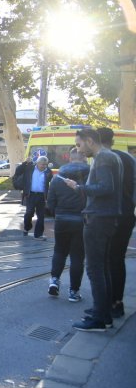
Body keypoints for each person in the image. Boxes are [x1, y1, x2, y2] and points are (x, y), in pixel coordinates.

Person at [63, 128, 123, 332]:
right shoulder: (110, 156)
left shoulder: (103, 158)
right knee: (102, 267)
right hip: (106, 217)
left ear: (89, 141)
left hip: (98, 218)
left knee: (95, 268)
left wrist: (79, 187)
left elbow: (106, 187)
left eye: (79, 145)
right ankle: (103, 313)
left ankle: (99, 318)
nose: (78, 150)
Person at [98, 128, 136, 319]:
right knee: (117, 259)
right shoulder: (129, 158)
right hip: (126, 214)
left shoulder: (103, 159)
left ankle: (107, 304)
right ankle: (116, 302)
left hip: (108, 217)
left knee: (104, 260)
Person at [46, 148, 89, 302]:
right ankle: (73, 291)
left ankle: (54, 281)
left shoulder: (58, 177)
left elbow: (50, 202)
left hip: (62, 220)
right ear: (84, 158)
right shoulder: (89, 175)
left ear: (70, 158)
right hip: (81, 221)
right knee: (77, 257)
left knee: (59, 251)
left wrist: (58, 213)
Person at [14, 155, 52, 240]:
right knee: (29, 213)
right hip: (30, 195)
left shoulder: (48, 172)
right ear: (37, 163)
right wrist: (25, 163)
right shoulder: (30, 168)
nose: (44, 166)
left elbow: (49, 183)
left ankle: (38, 235)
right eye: (42, 164)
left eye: (45, 164)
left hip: (42, 196)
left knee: (41, 216)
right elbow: (18, 171)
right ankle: (27, 227)